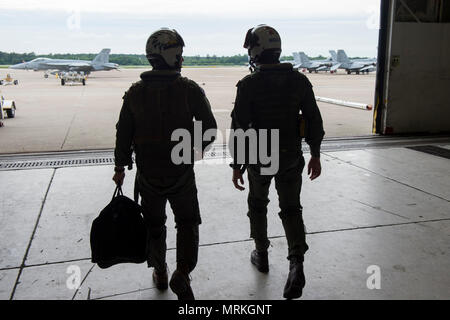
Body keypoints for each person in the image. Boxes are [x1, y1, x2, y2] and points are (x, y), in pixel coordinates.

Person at [113, 28, 217, 300]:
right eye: (179, 55)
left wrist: (120, 167)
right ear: (169, 57)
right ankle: (182, 272)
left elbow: (123, 133)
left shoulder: (134, 93)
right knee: (187, 221)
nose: (182, 60)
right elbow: (209, 129)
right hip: (181, 173)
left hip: (148, 175)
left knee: (155, 225)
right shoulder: (189, 90)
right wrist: (189, 153)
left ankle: (159, 271)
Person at [230, 24, 325, 299]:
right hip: (291, 156)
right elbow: (314, 120)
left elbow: (239, 127)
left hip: (261, 157)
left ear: (255, 51)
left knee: (258, 205)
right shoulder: (299, 81)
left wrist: (237, 165)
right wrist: (316, 154)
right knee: (292, 209)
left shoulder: (249, 84)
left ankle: (261, 254)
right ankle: (296, 264)